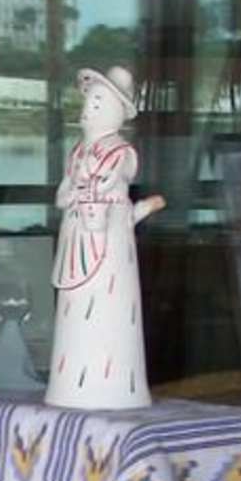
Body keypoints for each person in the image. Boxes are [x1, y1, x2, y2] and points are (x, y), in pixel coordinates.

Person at [46, 64, 163, 409]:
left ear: (116, 111)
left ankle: (115, 386)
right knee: (75, 311)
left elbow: (108, 181)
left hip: (108, 238)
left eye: (97, 103)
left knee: (108, 311)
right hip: (77, 235)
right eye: (88, 102)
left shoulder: (121, 153)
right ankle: (70, 384)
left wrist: (93, 193)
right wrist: (73, 194)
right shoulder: (77, 151)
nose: (88, 110)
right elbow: (63, 194)